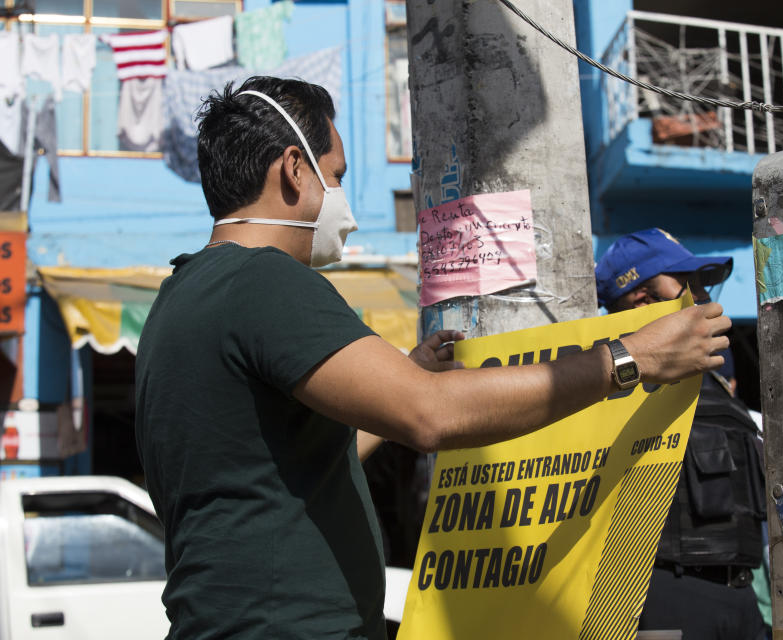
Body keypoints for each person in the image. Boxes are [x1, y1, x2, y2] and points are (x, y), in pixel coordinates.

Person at [134, 77, 732, 640]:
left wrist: (402, 378)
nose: (344, 199)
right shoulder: (267, 281)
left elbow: (290, 463)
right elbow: (432, 418)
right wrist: (626, 359)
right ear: (294, 169)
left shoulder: (180, 297)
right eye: (336, 175)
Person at [595, 228, 768, 640]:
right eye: (689, 287)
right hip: (663, 597)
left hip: (740, 594)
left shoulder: (710, 381)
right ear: (643, 300)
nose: (705, 300)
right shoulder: (610, 386)